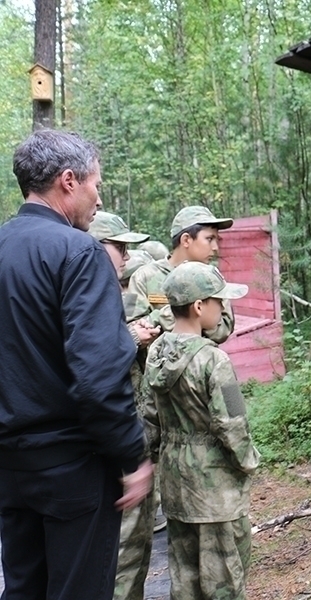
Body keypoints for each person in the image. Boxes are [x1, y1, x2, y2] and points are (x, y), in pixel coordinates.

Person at [0, 129, 153, 600]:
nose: (98, 197)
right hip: (73, 465)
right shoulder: (78, 252)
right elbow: (99, 375)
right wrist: (132, 455)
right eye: (97, 184)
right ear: (69, 181)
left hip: (10, 467)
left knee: (23, 589)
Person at [143, 261, 260, 600]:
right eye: (218, 301)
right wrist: (248, 461)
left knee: (185, 577)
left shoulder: (156, 353)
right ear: (198, 307)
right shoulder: (214, 361)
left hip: (176, 481)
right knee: (224, 578)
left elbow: (150, 417)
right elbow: (233, 420)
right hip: (216, 490)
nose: (222, 308)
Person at [88, 211, 162, 600]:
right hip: (109, 441)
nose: (128, 258)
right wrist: (129, 337)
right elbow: (86, 366)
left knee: (132, 543)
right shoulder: (85, 299)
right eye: (120, 248)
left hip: (129, 433)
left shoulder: (129, 295)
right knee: (119, 546)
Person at [127, 205, 235, 341]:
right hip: (154, 361)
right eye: (209, 239)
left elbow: (224, 329)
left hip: (201, 361)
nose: (215, 248)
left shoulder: (213, 278)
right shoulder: (142, 277)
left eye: (216, 240)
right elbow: (130, 328)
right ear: (186, 240)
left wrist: (161, 318)